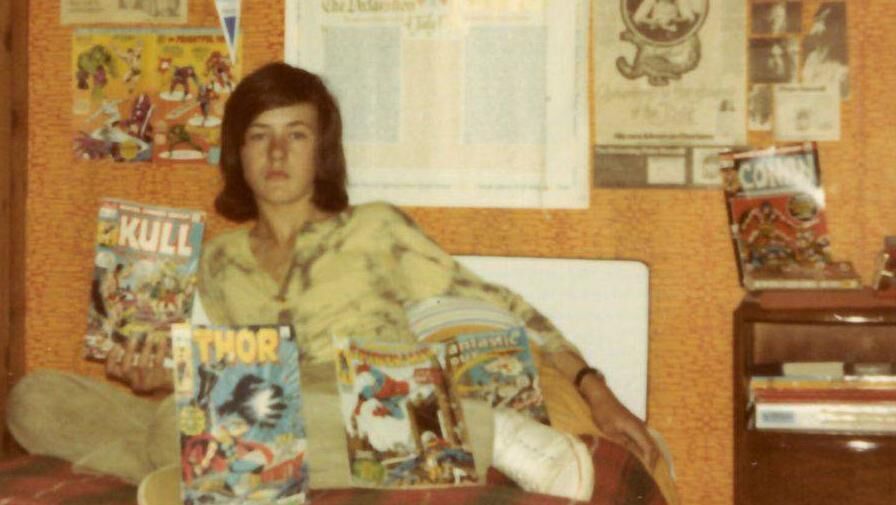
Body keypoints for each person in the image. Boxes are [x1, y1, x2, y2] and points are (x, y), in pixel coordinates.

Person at [8, 62, 660, 495]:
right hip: (251, 411)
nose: (276, 153)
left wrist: (594, 391)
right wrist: (159, 371)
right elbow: (220, 377)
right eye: (259, 136)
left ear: (320, 150)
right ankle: (196, 465)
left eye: (295, 134)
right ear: (238, 151)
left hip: (372, 408)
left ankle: (503, 438)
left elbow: (506, 306)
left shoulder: (374, 231)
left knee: (243, 414)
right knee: (33, 399)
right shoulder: (220, 261)